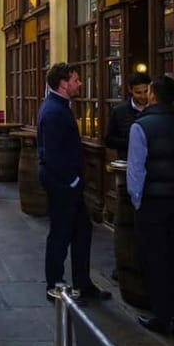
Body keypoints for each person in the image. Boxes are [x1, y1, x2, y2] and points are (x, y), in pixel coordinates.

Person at [127, 75, 174, 335]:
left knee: (155, 259)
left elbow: (135, 171)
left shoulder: (141, 127)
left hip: (153, 203)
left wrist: (137, 201)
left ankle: (162, 316)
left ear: (152, 95)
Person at [37, 63, 110, 304]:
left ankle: (83, 284)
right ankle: (54, 285)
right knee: (60, 235)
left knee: (82, 232)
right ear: (63, 83)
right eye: (76, 80)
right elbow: (52, 154)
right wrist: (73, 181)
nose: (80, 84)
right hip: (62, 185)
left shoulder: (59, 107)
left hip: (67, 184)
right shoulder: (54, 111)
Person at [105, 72, 151, 160]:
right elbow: (109, 140)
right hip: (128, 162)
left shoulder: (155, 109)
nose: (143, 96)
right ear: (130, 90)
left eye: (146, 91)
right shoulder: (119, 111)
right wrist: (132, 142)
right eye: (138, 92)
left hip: (152, 165)